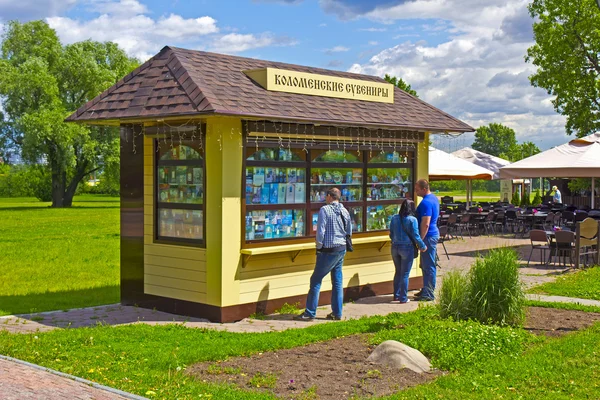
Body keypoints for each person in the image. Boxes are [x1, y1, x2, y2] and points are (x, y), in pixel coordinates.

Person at [295, 188, 351, 321]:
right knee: (337, 281)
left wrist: (319, 247)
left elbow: (321, 231)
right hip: (341, 248)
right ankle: (337, 313)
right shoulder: (344, 210)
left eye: (326, 196)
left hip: (328, 249)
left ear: (330, 196)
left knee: (315, 280)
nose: (325, 198)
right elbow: (349, 231)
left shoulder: (324, 210)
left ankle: (310, 312)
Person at [389, 200, 426, 304]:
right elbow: (415, 235)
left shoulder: (394, 218)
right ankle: (403, 298)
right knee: (405, 274)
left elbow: (391, 234)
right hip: (407, 247)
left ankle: (396, 295)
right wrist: (422, 245)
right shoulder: (412, 219)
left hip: (395, 247)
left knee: (398, 272)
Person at [415, 179, 439, 301]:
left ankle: (428, 293)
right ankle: (425, 288)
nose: (415, 191)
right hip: (432, 235)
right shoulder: (434, 198)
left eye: (417, 189)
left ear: (424, 189)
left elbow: (426, 223)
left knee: (429, 265)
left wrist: (420, 240)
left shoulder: (426, 203)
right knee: (425, 265)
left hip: (428, 236)